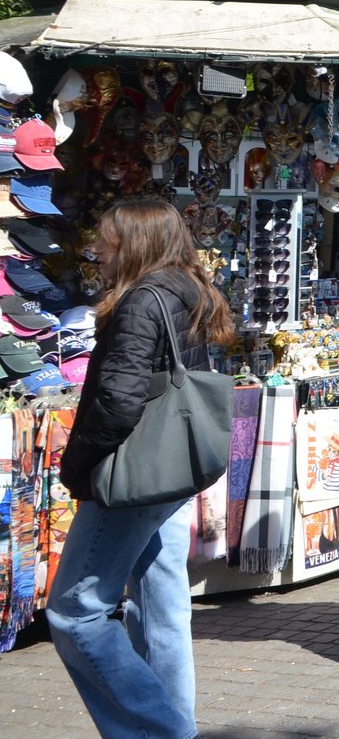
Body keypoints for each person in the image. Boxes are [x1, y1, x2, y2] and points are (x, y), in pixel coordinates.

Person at [48, 196, 235, 737]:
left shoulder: (141, 300)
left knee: (75, 613)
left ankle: (162, 730)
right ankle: (175, 723)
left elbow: (119, 401)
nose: (97, 252)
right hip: (173, 471)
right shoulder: (189, 289)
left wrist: (80, 467)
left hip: (135, 474)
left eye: (105, 240)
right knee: (161, 600)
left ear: (134, 243)